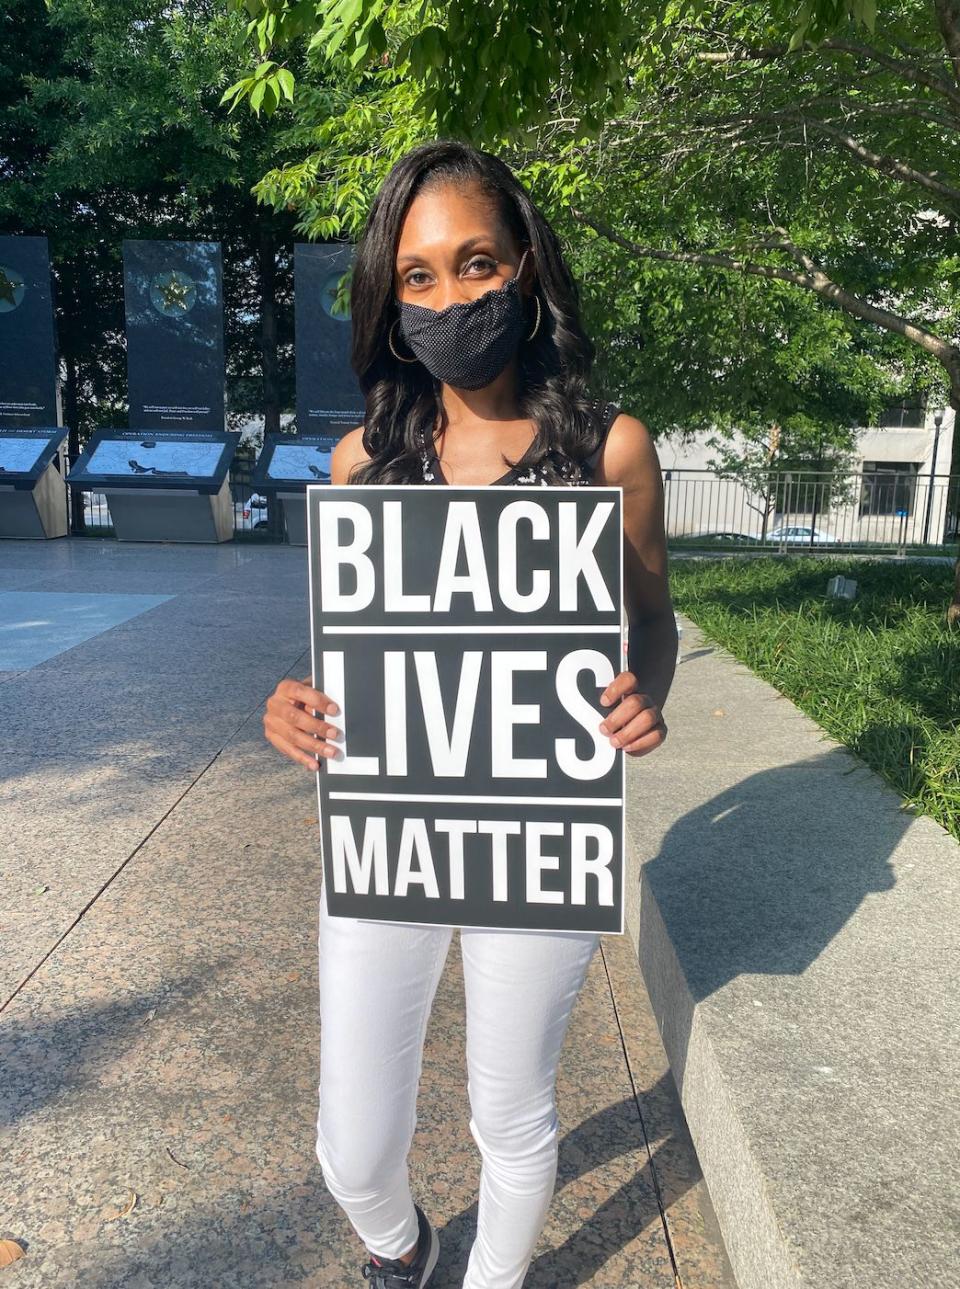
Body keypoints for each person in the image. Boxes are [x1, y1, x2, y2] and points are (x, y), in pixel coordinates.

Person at [262, 138, 678, 1289]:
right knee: (350, 1151)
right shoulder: (364, 461)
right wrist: (295, 706)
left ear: (528, 271)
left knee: (512, 1115)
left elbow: (651, 621)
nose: (452, 296)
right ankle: (403, 1248)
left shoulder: (610, 452)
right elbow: (353, 658)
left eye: (477, 262)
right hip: (389, 830)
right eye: (420, 276)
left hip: (533, 828)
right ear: (392, 307)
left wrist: (646, 697)